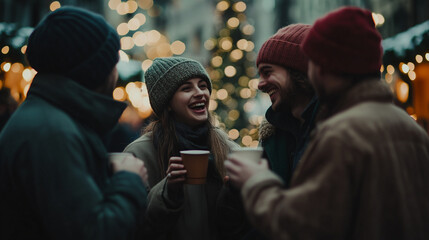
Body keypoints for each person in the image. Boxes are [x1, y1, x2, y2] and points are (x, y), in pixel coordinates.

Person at [225, 6, 429, 240]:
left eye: (313, 62)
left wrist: (256, 182)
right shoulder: (412, 129)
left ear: (323, 67)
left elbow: (302, 227)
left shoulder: (341, 133)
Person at [0, 7, 148, 240]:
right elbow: (96, 232)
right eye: (113, 60)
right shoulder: (51, 132)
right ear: (95, 70)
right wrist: (128, 180)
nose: (116, 72)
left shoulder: (50, 118)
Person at [124, 57, 248, 240]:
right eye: (186, 88)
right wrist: (168, 191)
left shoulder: (227, 148)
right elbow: (135, 226)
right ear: (167, 103)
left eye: (203, 86)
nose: (199, 93)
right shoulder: (139, 154)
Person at [257, 24, 318, 187]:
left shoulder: (337, 127)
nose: (260, 84)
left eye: (267, 72)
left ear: (298, 70)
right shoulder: (272, 137)